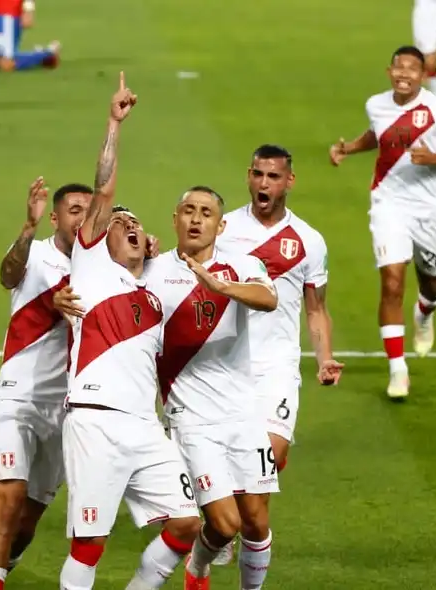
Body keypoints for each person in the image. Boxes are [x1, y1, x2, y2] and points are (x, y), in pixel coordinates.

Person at [54, 186, 281, 589]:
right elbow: (110, 283)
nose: (196, 219)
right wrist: (60, 300)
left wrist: (221, 287)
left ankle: (199, 572)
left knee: (253, 521)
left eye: (206, 212)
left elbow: (268, 298)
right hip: (185, 417)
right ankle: (195, 570)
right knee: (222, 523)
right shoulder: (152, 275)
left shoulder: (243, 265)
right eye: (188, 211)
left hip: (242, 411)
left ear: (221, 224)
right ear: (175, 218)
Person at [59, 73, 201, 590]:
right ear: (98, 234)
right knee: (90, 543)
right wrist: (114, 124)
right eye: (121, 222)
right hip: (95, 420)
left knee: (187, 523)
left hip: (144, 426)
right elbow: (104, 187)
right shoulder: (92, 265)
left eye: (136, 223)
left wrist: (157, 260)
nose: (130, 224)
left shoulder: (153, 293)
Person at [206, 144, 342, 566]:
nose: (265, 184)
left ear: (289, 181)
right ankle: (223, 525)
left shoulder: (308, 241)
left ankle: (233, 519)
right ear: (249, 176)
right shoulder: (223, 230)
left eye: (274, 177)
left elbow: (316, 309)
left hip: (277, 369)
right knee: (242, 495)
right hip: (226, 364)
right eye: (259, 175)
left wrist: (324, 358)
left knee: (270, 458)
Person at [329, 45, 436, 400]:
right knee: (392, 281)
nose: (405, 74)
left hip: (431, 211)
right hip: (388, 204)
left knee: (431, 282)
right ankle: (399, 371)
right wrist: (349, 147)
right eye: (399, 68)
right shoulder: (376, 104)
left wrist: (434, 157)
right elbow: (379, 134)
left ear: (423, 74)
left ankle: (425, 313)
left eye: (412, 69)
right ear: (389, 71)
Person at [0, 179, 93, 590]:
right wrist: (27, 227)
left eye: (88, 211)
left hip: (66, 409)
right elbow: (8, 275)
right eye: (74, 210)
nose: (82, 219)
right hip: (19, 397)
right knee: (7, 503)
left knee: (27, 521)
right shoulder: (37, 254)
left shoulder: (101, 265)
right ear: (56, 217)